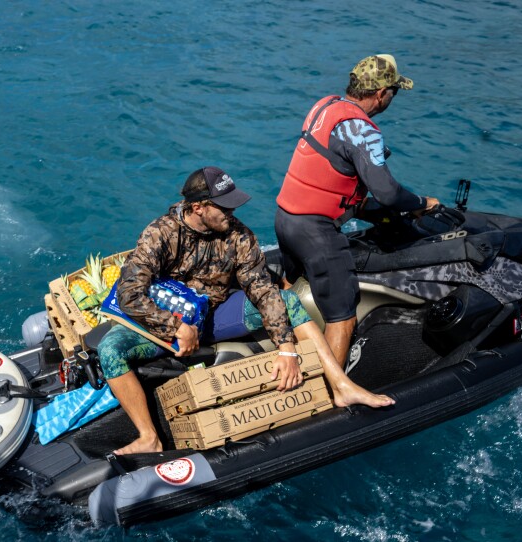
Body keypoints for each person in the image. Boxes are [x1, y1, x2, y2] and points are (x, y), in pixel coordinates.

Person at [98, 166, 395, 456]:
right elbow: (129, 293)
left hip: (213, 314)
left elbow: (263, 291)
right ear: (199, 207)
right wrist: (174, 327)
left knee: (286, 300)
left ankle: (342, 386)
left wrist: (287, 349)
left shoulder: (238, 236)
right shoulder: (160, 233)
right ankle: (149, 437)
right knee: (109, 349)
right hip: (167, 319)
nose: (231, 214)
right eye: (224, 207)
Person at [275, 54, 440, 366]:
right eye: (395, 91)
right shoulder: (363, 131)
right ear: (381, 94)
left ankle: (288, 353)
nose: (393, 97)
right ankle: (334, 396)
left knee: (292, 290)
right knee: (342, 315)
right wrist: (422, 203)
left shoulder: (323, 107)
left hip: (285, 219)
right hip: (315, 231)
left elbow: (331, 176)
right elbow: (389, 193)